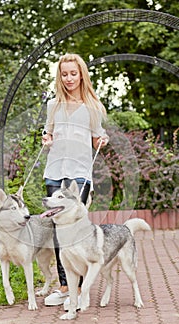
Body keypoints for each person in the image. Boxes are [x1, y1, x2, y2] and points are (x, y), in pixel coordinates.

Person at [41, 53, 109, 307]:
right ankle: (63, 286)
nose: (69, 78)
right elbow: (48, 134)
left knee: (75, 230)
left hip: (81, 172)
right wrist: (46, 140)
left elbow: (96, 138)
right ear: (60, 76)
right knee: (59, 230)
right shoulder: (53, 106)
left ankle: (79, 289)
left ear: (81, 74)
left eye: (73, 73)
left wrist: (101, 140)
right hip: (55, 171)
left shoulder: (92, 108)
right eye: (64, 74)